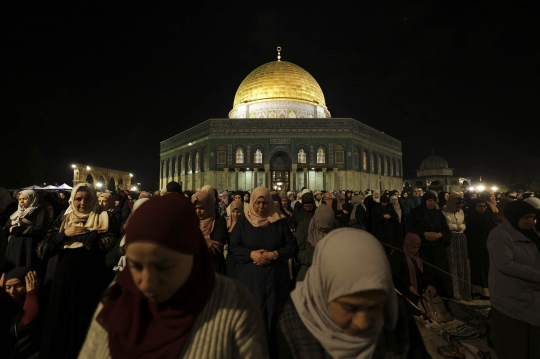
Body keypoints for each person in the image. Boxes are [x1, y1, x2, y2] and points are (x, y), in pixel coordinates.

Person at [78, 193, 269, 359]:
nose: (146, 282)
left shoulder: (231, 302)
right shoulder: (118, 298)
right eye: (136, 265)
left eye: (163, 265)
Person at [275, 228, 428, 358]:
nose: (362, 323)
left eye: (374, 307)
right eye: (349, 308)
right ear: (323, 291)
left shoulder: (394, 311)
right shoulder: (293, 326)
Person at [37, 183, 118, 359]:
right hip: (64, 279)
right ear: (72, 200)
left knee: (86, 322)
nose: (83, 203)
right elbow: (42, 249)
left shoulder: (105, 217)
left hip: (93, 280)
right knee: (62, 322)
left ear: (94, 198)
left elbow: (107, 244)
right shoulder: (64, 219)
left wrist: (82, 236)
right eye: (78, 199)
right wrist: (63, 234)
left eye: (88, 198)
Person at [229, 186, 297, 335]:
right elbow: (233, 247)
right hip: (251, 281)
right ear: (252, 202)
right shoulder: (244, 221)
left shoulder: (279, 221)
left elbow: (292, 246)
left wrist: (274, 254)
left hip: (275, 280)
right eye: (257, 203)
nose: (261, 207)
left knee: (274, 321)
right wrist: (251, 255)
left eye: (265, 203)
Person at [487, 201, 540, 359]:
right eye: (526, 217)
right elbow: (506, 264)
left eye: (533, 218)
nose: (531, 221)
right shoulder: (500, 234)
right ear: (515, 217)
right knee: (513, 345)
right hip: (510, 299)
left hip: (533, 299)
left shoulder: (533, 234)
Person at [407, 192, 453, 298]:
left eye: (434, 201)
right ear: (424, 201)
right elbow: (410, 228)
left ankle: (443, 293)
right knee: (426, 268)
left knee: (440, 269)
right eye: (430, 201)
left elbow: (446, 229)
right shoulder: (416, 213)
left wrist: (440, 234)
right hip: (423, 247)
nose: (432, 203)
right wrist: (425, 233)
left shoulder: (438, 214)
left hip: (438, 247)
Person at [3, 190, 48, 275]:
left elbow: (38, 228)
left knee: (25, 267)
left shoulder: (40, 211)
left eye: (24, 198)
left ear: (32, 198)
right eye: (19, 199)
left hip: (28, 245)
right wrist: (10, 229)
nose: (21, 201)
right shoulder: (16, 213)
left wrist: (15, 230)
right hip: (13, 246)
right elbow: (6, 228)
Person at [390, 233, 437, 308]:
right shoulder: (398, 254)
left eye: (418, 247)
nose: (416, 250)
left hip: (419, 290)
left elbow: (428, 271)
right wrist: (408, 286)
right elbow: (395, 275)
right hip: (404, 290)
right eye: (413, 247)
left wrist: (429, 284)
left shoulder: (419, 255)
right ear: (408, 244)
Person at [294, 205, 337, 281]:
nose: (323, 230)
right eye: (320, 227)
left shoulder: (337, 228)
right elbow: (298, 252)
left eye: (326, 228)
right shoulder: (304, 226)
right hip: (309, 266)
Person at [442, 193, 471, 301]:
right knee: (453, 264)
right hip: (451, 239)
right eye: (457, 207)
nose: (458, 209)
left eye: (460, 207)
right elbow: (445, 225)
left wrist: (460, 227)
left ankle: (464, 290)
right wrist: (455, 227)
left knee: (462, 264)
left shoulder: (461, 212)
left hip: (461, 239)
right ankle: (455, 291)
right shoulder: (444, 212)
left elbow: (464, 224)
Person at [192, 191, 227, 274]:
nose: (198, 212)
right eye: (195, 208)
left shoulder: (219, 222)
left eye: (201, 208)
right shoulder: (191, 223)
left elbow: (216, 247)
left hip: (213, 269)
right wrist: (205, 241)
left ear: (209, 207)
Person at [465, 198, 494, 297]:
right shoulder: (470, 219)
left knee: (487, 269)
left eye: (485, 206)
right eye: (480, 206)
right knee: (477, 270)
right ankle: (477, 291)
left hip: (487, 248)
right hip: (475, 248)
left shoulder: (488, 218)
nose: (483, 208)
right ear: (474, 207)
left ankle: (487, 290)